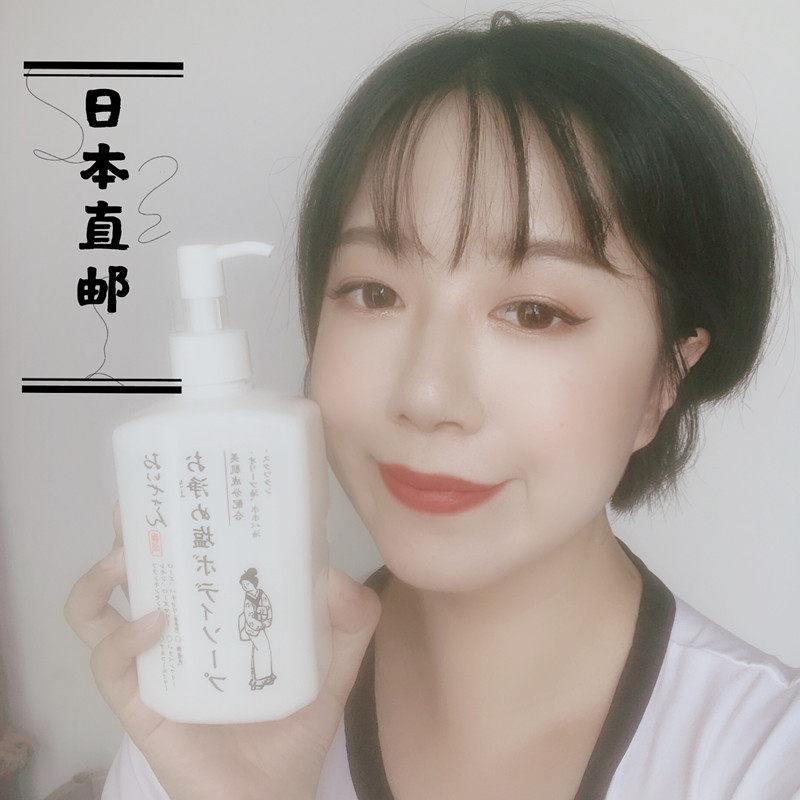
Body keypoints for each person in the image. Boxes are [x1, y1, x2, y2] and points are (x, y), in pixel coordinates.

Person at [65, 10, 800, 800]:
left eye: (534, 312)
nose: (425, 396)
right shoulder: (214, 712)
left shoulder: (760, 758)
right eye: (373, 293)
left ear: (666, 378)